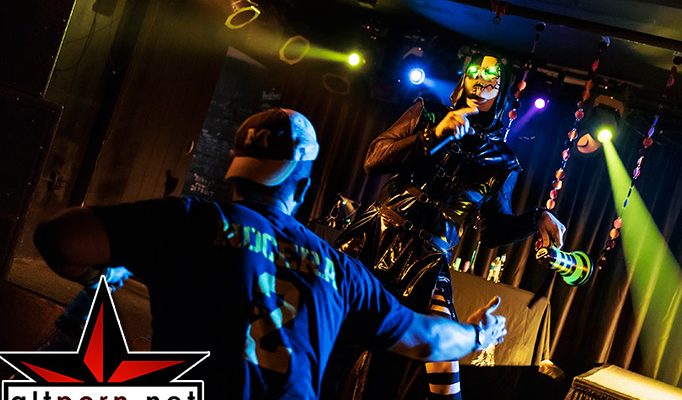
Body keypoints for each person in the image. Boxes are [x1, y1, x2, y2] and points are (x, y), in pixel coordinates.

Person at [33, 108, 509, 399]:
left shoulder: (190, 222)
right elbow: (427, 339)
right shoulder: (340, 269)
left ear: (235, 171)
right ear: (302, 185)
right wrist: (477, 334)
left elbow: (59, 239)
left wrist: (107, 271)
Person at [330, 52, 567, 399]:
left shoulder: (503, 160)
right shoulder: (428, 112)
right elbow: (374, 160)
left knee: (422, 365)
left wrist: (537, 218)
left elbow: (492, 232)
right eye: (474, 71)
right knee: (333, 341)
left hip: (427, 261)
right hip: (376, 236)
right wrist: (434, 134)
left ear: (502, 88)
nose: (480, 79)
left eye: (491, 74)